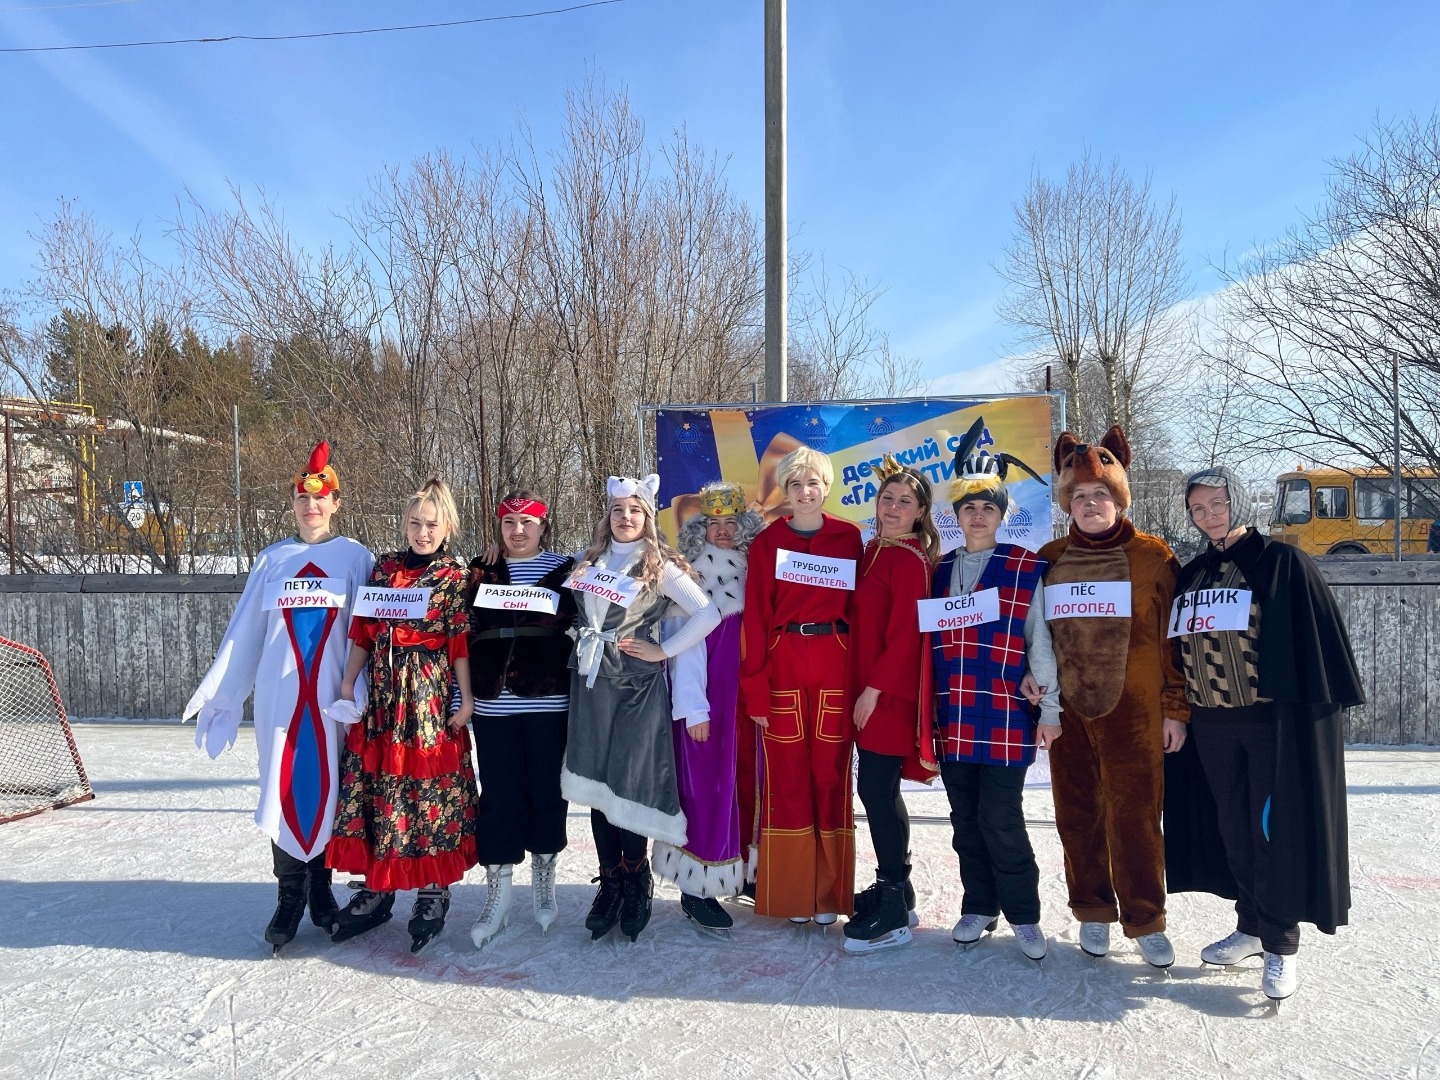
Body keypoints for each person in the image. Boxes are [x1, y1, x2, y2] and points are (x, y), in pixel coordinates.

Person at [1165, 466, 1362, 1001]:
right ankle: (1251, 925)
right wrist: (1177, 711)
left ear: (1241, 503)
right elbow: (1178, 652)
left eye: (1218, 504)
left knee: (1271, 832)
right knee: (1231, 829)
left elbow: (1312, 644)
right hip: (1211, 726)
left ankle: (1280, 945)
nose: (1209, 515)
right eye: (1199, 508)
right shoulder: (1193, 574)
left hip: (1270, 725)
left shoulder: (1281, 564)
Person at [184, 442, 373, 954]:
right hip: (281, 701)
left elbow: (372, 631)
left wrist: (370, 695)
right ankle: (290, 894)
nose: (311, 505)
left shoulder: (356, 558)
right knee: (284, 788)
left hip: (335, 701)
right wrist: (225, 696)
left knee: (329, 789)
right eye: (302, 497)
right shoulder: (272, 560)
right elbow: (245, 633)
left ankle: (322, 891)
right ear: (292, 503)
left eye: (321, 496)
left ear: (336, 502)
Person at [1037, 427, 1189, 968]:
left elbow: (1175, 639)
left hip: (1137, 714)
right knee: (1077, 814)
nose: (1090, 504)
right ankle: (1092, 911)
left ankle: (1145, 917)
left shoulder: (1151, 557)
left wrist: (1175, 707)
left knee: (1137, 816)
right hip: (1070, 714)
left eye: (1100, 495)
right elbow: (1035, 637)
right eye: (1079, 497)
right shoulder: (1050, 558)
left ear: (1118, 497)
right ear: (1066, 504)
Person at [562, 475, 720, 942]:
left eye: (635, 510)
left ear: (648, 518)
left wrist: (663, 653)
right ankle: (609, 882)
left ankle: (636, 884)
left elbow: (707, 613)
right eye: (618, 510)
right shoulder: (588, 561)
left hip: (635, 687)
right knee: (595, 783)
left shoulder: (660, 565)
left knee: (629, 785)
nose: (625, 517)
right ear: (607, 516)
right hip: (591, 684)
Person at [326, 479, 479, 953]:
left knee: (427, 788)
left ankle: (433, 889)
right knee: (378, 787)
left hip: (426, 697)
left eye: (432, 524)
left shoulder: (454, 576)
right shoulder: (385, 568)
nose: (423, 532)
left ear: (447, 526)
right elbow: (364, 632)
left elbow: (458, 645)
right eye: (415, 522)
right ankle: (379, 884)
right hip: (383, 697)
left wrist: (466, 698)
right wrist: (350, 682)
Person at [928, 419, 1058, 961]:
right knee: (964, 818)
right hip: (953, 711)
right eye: (968, 508)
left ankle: (1024, 916)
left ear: (1002, 515)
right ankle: (978, 905)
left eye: (988, 508)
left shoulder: (1025, 567)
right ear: (955, 515)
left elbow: (1040, 641)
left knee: (1001, 818)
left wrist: (1049, 705)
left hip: (1005, 711)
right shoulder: (937, 572)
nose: (977, 516)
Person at [741, 446, 864, 925]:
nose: (805, 492)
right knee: (788, 780)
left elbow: (861, 612)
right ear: (785, 492)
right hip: (785, 662)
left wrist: (860, 682)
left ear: (826, 487)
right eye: (795, 485)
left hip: (835, 659)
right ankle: (795, 893)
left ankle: (830, 894)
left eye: (813, 483)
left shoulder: (848, 537)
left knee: (831, 777)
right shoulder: (769, 543)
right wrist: (755, 688)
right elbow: (755, 616)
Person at [461, 491, 578, 947]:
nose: (518, 530)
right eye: (509, 522)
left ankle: (544, 878)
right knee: (500, 795)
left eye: (527, 522)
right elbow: (463, 637)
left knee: (547, 792)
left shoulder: (569, 570)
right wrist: (461, 696)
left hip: (547, 699)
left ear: (543, 526)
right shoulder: (480, 571)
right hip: (494, 704)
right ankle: (499, 892)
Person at [655, 481, 765, 933]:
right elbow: (683, 648)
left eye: (731, 523)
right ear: (701, 530)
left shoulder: (756, 570)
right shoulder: (691, 577)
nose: (722, 532)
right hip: (708, 700)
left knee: (747, 785)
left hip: (747, 699)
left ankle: (743, 872)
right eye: (714, 524)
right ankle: (697, 886)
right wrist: (693, 707)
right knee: (707, 787)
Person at [842, 456, 940, 953]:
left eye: (905, 502)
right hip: (864, 688)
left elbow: (906, 636)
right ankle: (896, 886)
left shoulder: (907, 560)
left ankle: (894, 903)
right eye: (887, 499)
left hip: (886, 693)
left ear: (921, 512)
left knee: (876, 791)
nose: (894, 507)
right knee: (875, 791)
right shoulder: (872, 550)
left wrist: (874, 691)